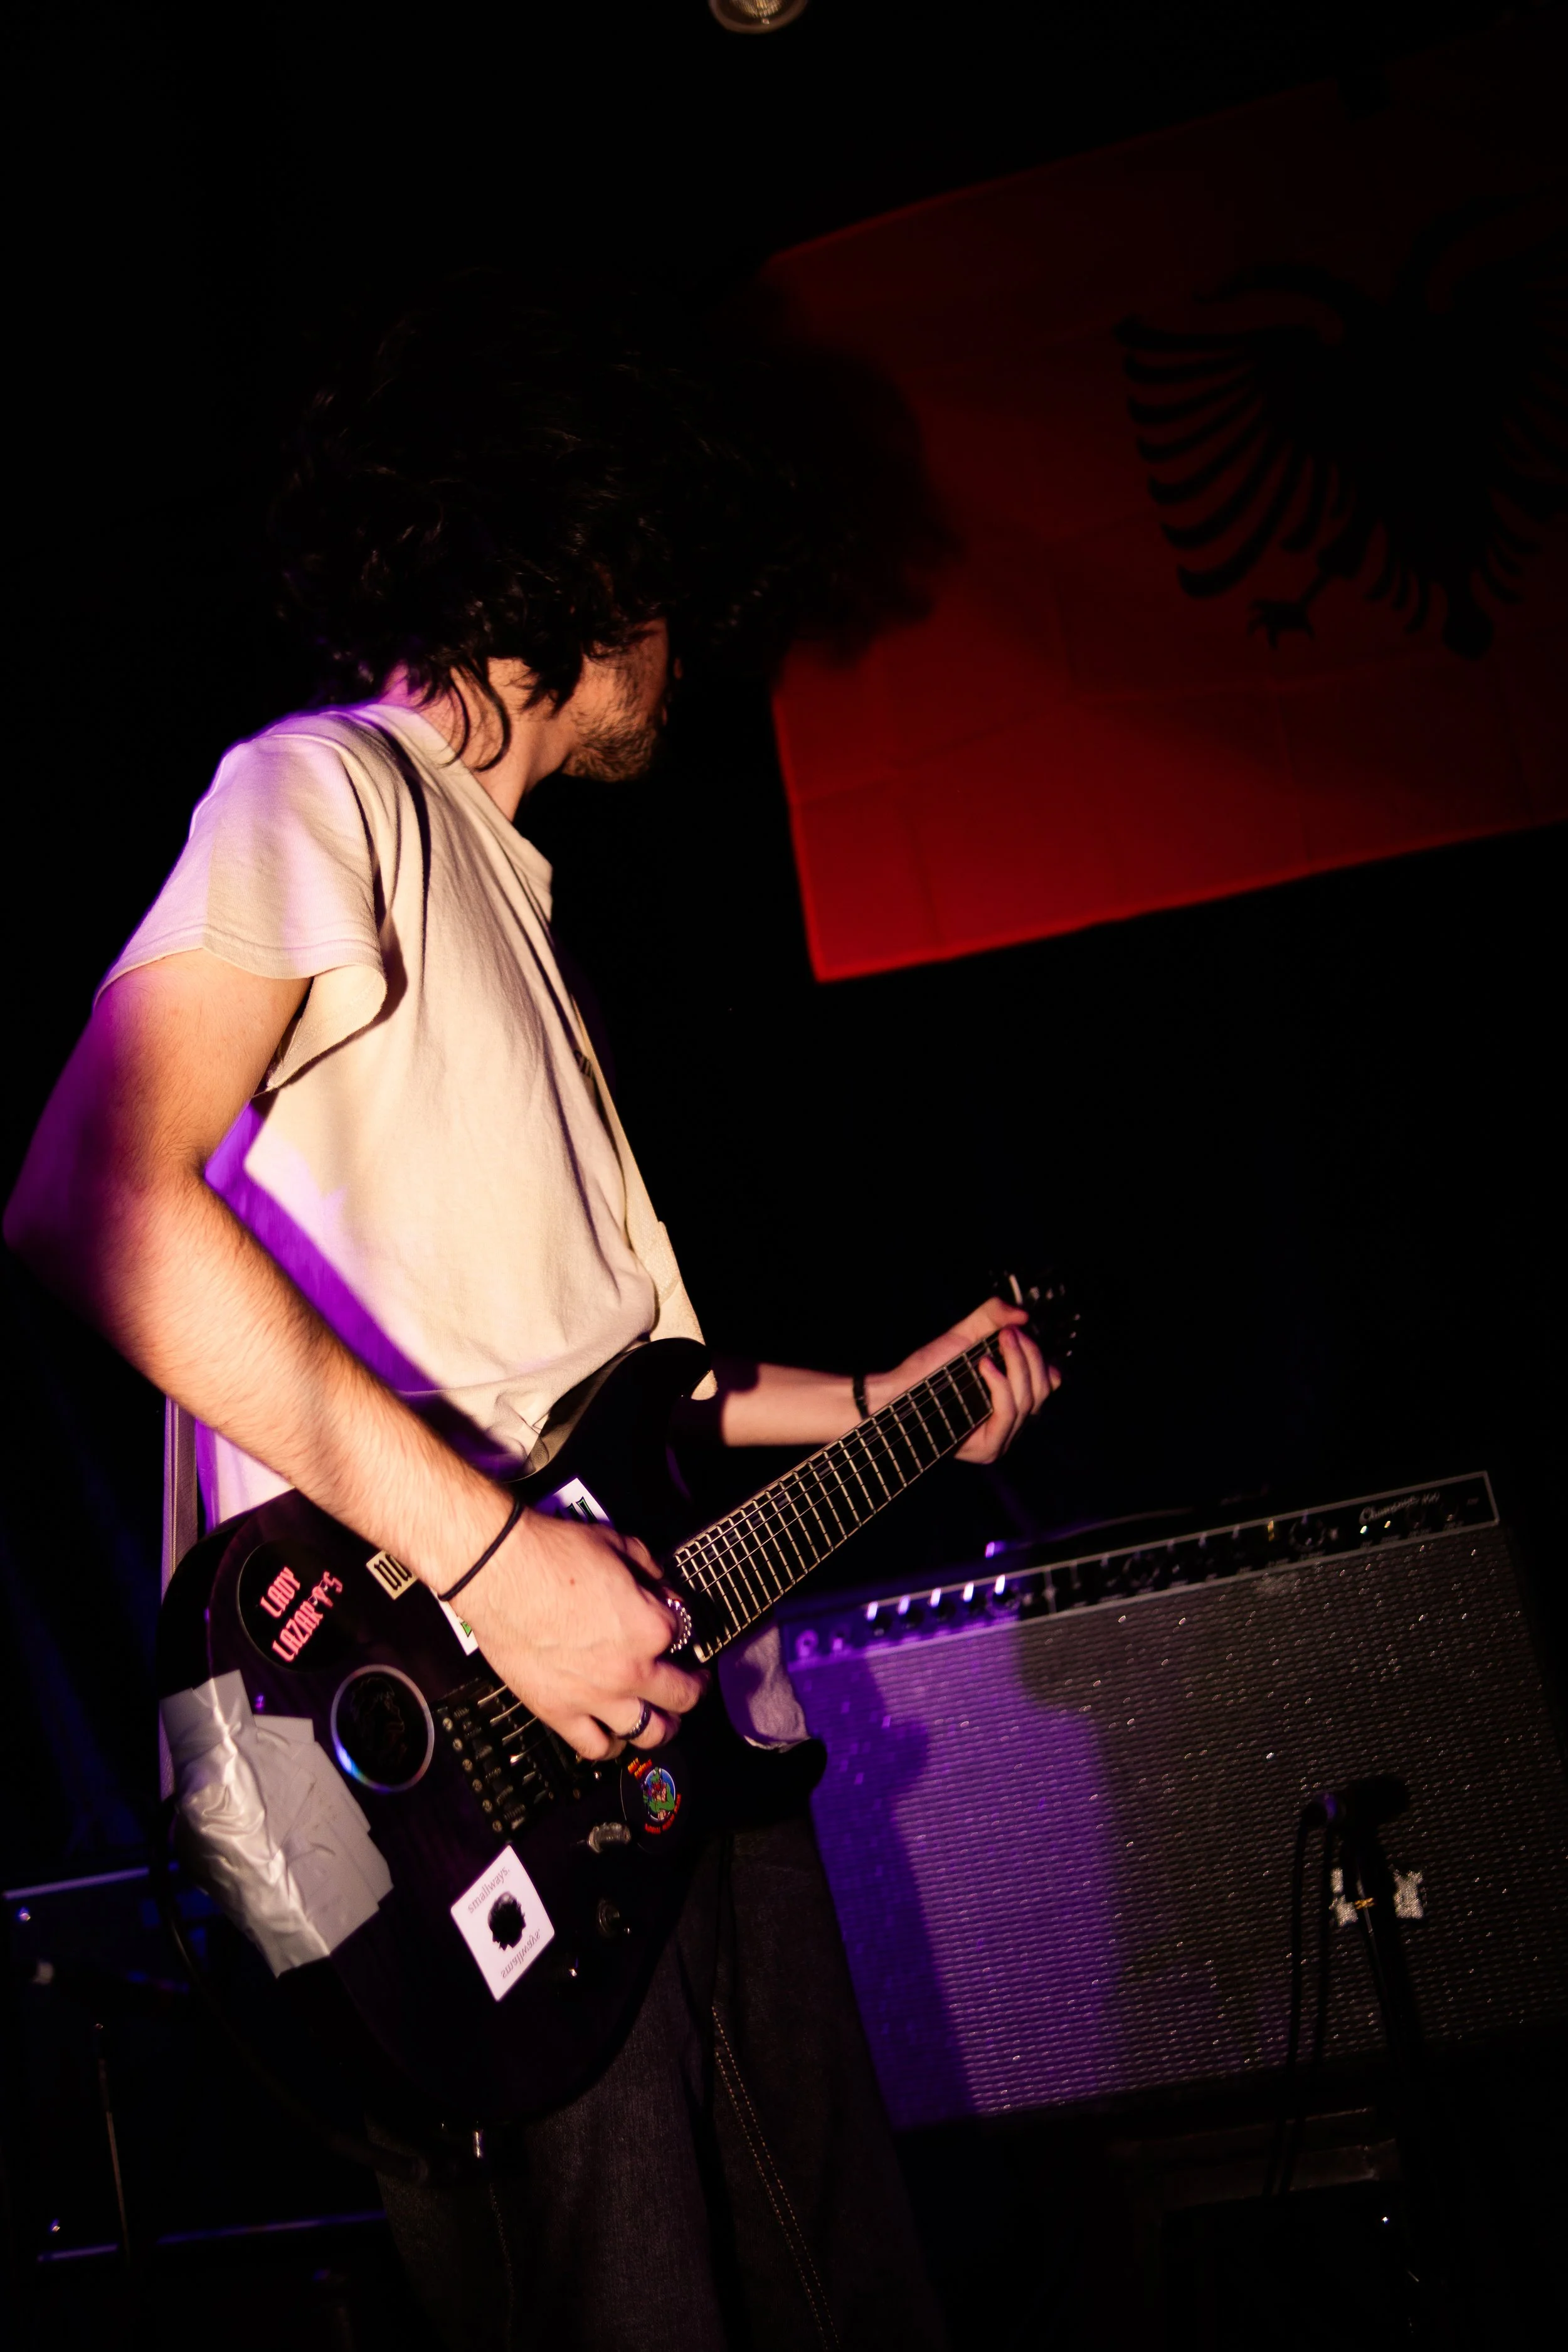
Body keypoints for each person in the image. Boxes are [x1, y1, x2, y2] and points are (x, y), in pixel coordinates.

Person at [4, 283, 1053, 2351]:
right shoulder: (325, 791)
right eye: (671, 585)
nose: (689, 650)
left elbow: (598, 1396)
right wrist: (498, 1566)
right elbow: (90, 1202)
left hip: (654, 1758)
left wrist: (884, 1401)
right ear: (587, 566)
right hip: (474, 1783)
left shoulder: (507, 880)